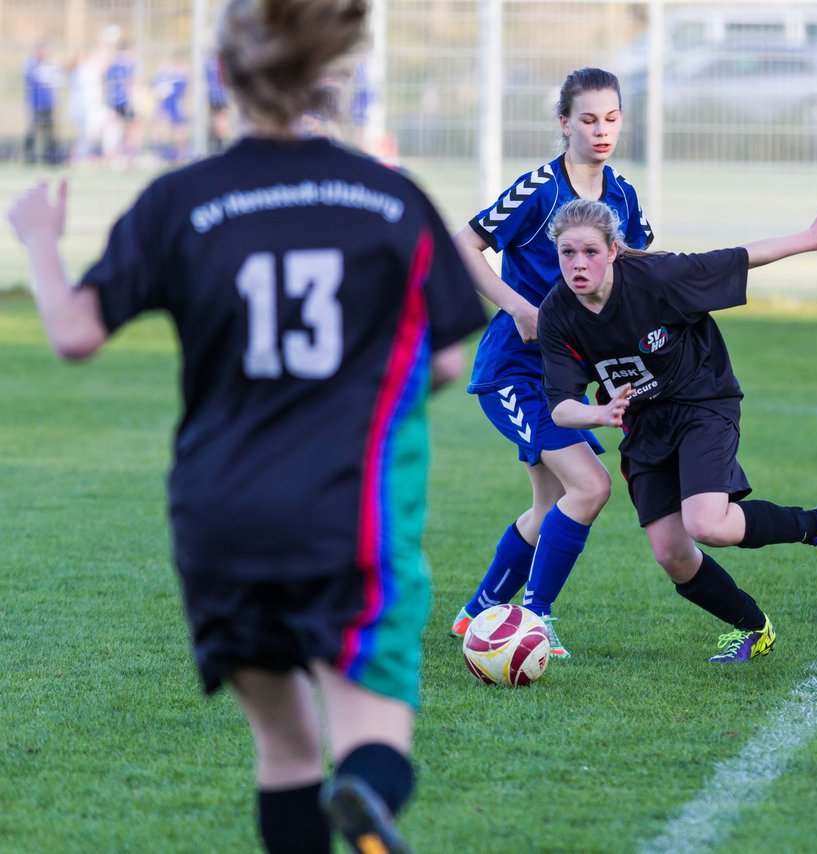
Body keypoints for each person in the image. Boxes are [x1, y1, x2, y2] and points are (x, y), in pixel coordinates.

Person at [7, 1, 486, 851]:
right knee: (372, 735)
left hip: (219, 514)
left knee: (284, 748)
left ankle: (331, 803)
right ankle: (367, 791)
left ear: (221, 79)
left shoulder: (181, 199)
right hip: (343, 512)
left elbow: (75, 332)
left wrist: (41, 239)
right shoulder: (388, 199)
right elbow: (448, 359)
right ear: (326, 76)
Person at [536, 198, 817, 664]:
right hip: (644, 425)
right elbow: (561, 409)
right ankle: (753, 628)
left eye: (590, 252)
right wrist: (600, 414)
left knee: (707, 523)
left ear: (613, 250)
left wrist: (811, 239)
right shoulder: (556, 313)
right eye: (567, 253)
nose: (578, 264)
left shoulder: (659, 279)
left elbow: (741, 256)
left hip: (702, 401)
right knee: (671, 553)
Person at [449, 67, 654, 658]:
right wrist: (518, 307)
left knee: (549, 506)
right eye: (588, 119)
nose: (601, 130)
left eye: (611, 118)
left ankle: (477, 613)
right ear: (564, 124)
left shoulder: (622, 196)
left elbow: (639, 268)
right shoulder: (539, 189)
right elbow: (461, 244)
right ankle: (532, 619)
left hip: (567, 378)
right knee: (589, 487)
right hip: (515, 373)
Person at [23, 42, 63, 165]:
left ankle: (50, 157)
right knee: (33, 129)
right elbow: (33, 77)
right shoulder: (30, 64)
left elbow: (58, 79)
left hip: (48, 102)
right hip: (36, 103)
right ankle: (30, 157)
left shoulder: (51, 64)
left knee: (49, 130)